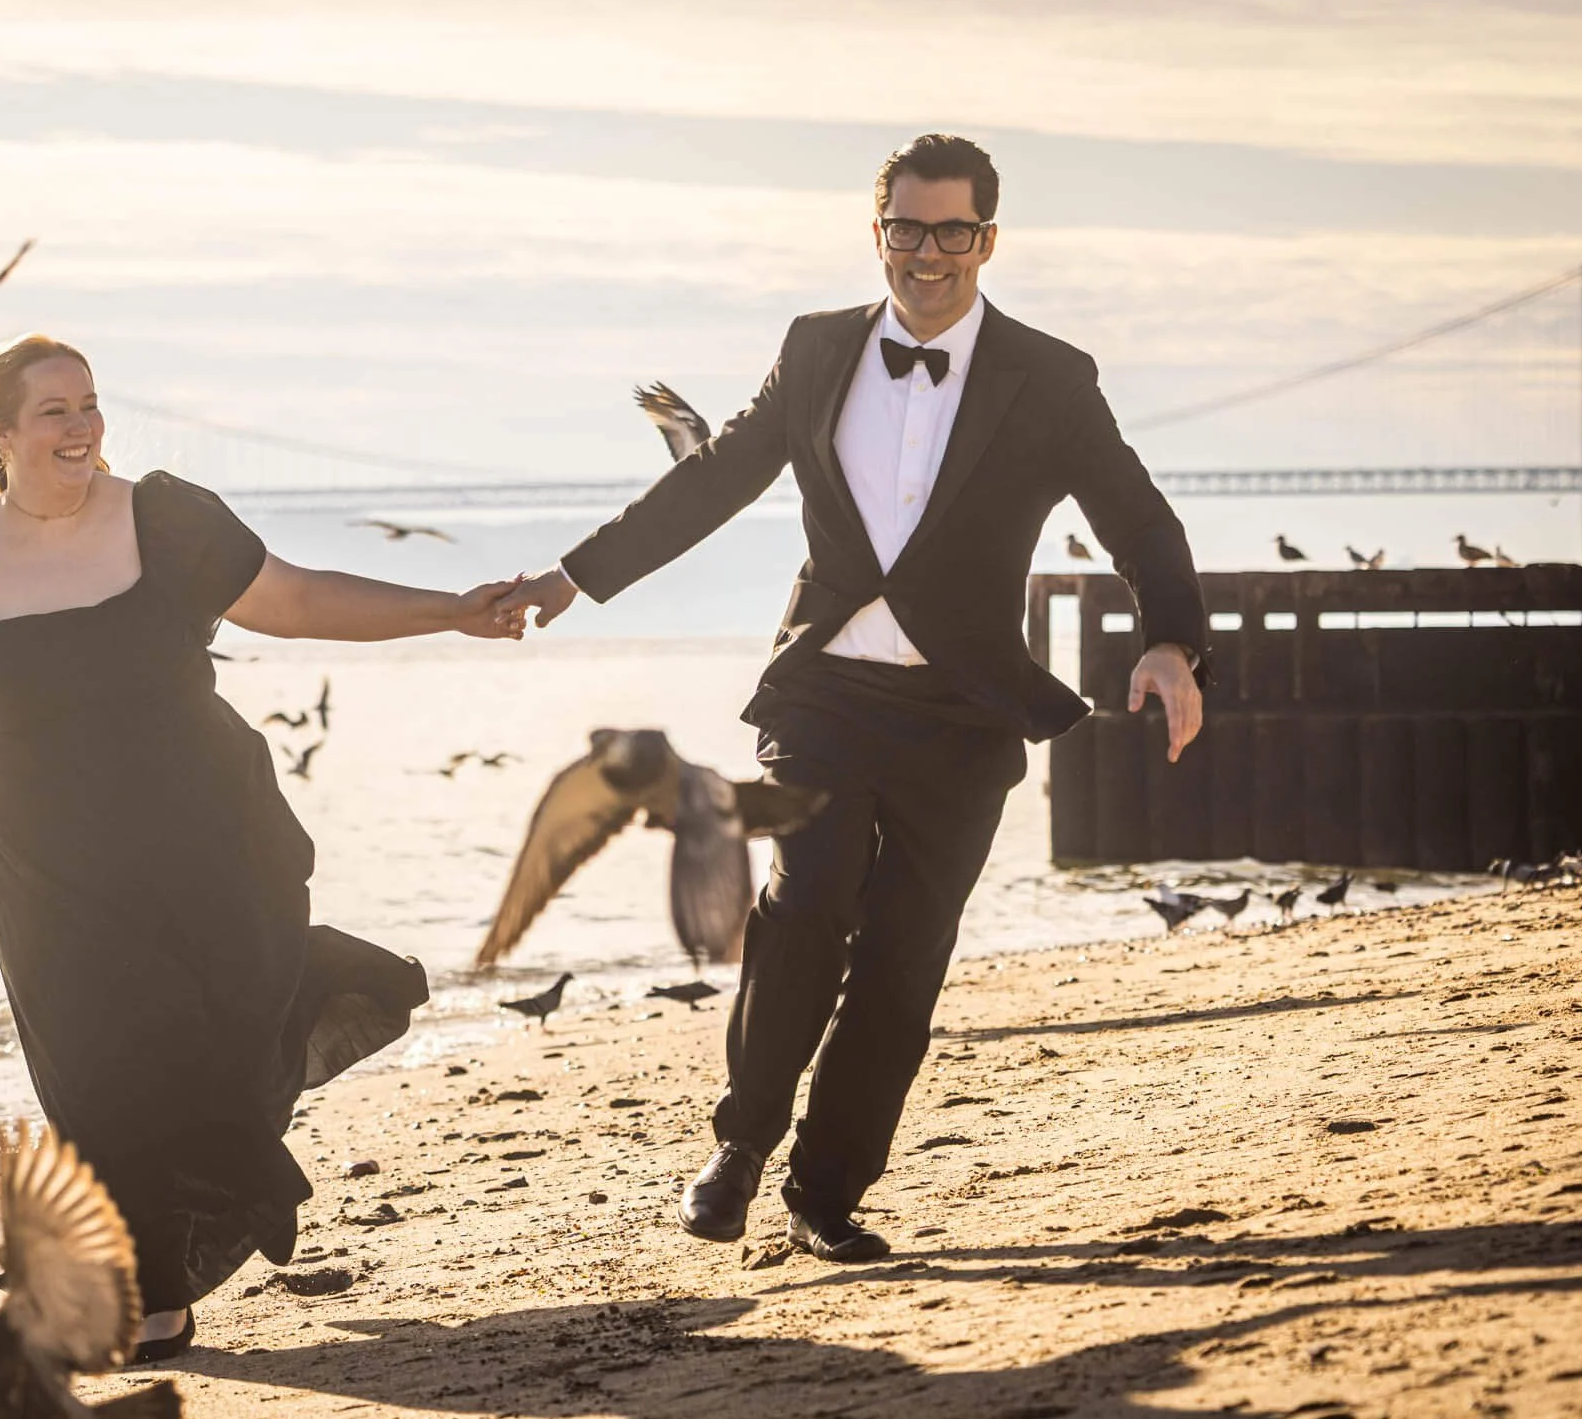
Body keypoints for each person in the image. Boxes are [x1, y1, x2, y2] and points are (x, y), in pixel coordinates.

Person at [499, 134, 1208, 1263]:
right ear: (875, 233)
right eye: (905, 230)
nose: (926, 255)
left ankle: (825, 1191)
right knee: (806, 897)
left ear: (987, 239)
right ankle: (740, 1144)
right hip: (826, 688)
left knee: (904, 952)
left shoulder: (1050, 375)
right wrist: (572, 576)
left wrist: (1168, 640)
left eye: (951, 232)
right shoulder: (817, 348)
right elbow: (714, 478)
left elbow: (1137, 516)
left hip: (963, 708)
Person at [0, 333, 527, 1358]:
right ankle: (155, 1296)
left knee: (214, 1030)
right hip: (51, 864)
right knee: (101, 1071)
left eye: (88, 404)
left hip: (211, 828)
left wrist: (448, 611)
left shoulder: (164, 515)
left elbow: (292, 601)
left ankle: (297, 1000)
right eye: (54, 411)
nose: (81, 427)